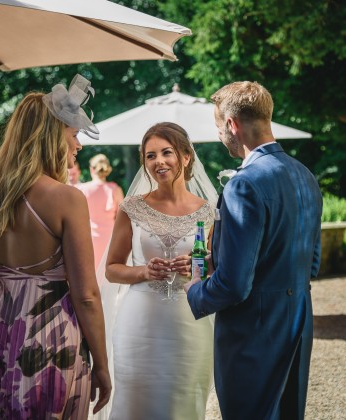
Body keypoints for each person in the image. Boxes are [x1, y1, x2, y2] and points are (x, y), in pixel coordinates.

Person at [0, 75, 110, 419]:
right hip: (47, 340)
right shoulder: (67, 199)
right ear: (52, 136)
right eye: (73, 134)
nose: (78, 144)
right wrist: (102, 364)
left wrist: (1, 280)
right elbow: (86, 295)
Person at [185, 81, 323, 420]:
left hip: (254, 333)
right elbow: (313, 265)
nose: (220, 136)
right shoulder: (306, 176)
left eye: (219, 128)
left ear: (232, 124)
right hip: (298, 323)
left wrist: (195, 290)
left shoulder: (243, 185)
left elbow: (234, 284)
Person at [97, 122, 218, 420]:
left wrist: (195, 266)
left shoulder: (207, 212)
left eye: (167, 152)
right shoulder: (132, 208)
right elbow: (112, 269)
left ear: (186, 157)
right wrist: (143, 272)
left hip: (189, 323)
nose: (158, 162)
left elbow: (207, 264)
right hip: (139, 326)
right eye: (150, 156)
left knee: (184, 402)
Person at [78, 154, 124, 270]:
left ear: (91, 169)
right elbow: (121, 218)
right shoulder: (115, 189)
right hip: (110, 238)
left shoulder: (82, 189)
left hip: (89, 237)